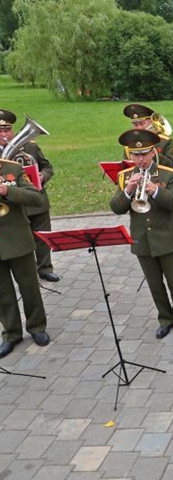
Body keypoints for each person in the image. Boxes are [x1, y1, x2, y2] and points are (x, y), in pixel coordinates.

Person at [111, 129, 173, 339]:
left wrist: (155, 190)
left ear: (153, 152)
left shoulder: (167, 174)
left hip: (166, 237)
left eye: (144, 154)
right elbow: (116, 208)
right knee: (154, 284)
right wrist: (128, 190)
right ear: (129, 155)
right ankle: (165, 318)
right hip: (142, 240)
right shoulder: (125, 176)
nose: (140, 159)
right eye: (135, 155)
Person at [0, 109, 49, 359]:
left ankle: (37, 327)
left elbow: (35, 197)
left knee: (29, 287)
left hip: (18, 238)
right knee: (3, 293)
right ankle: (11, 334)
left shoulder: (12, 168)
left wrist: (7, 191)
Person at [0, 110, 59, 282]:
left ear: (13, 130)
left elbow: (48, 167)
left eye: (7, 130)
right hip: (12, 205)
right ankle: (24, 270)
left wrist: (42, 176)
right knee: (19, 239)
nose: (4, 134)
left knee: (42, 236)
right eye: (0, 131)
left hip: (36, 201)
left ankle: (45, 268)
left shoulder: (30, 147)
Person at [122, 104, 173, 168]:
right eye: (135, 125)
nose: (139, 128)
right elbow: (127, 168)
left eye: (142, 124)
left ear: (151, 122)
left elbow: (172, 165)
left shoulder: (165, 141)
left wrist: (152, 153)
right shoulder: (129, 143)